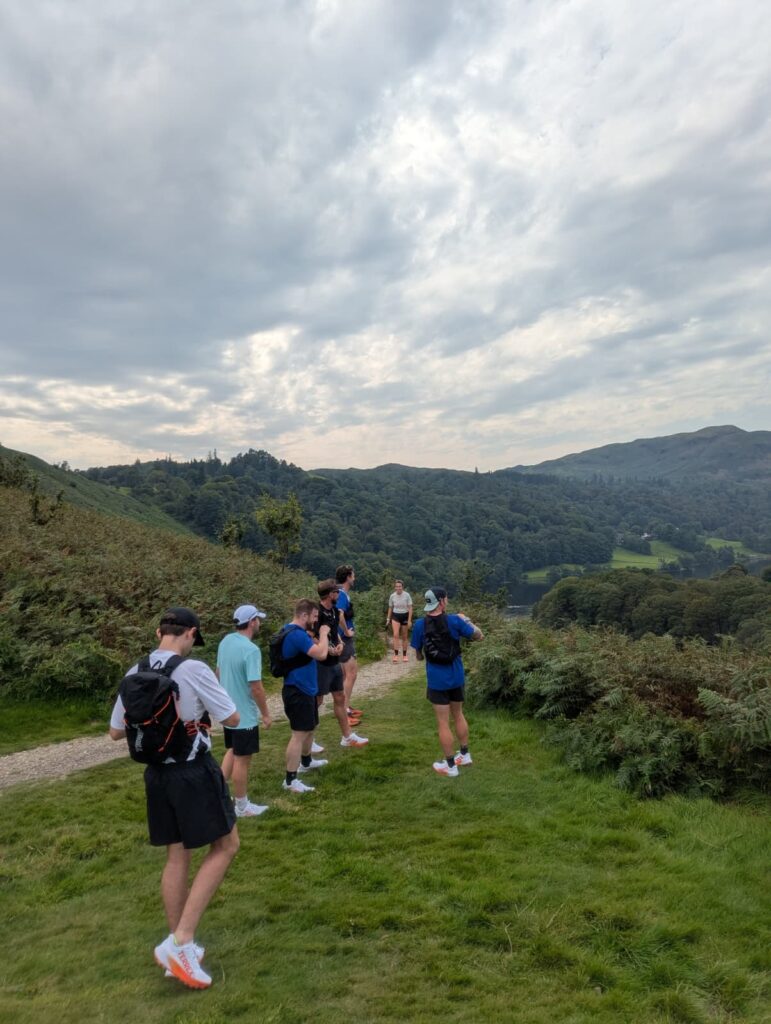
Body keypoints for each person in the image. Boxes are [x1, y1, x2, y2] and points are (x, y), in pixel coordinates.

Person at [109, 607, 241, 990]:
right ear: (191, 634)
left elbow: (115, 731)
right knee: (227, 845)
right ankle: (181, 941)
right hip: (193, 770)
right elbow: (232, 718)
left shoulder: (134, 672)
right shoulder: (193, 669)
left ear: (158, 632)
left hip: (156, 775)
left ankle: (179, 948)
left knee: (177, 854)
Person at [410, 588, 483, 778]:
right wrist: (466, 619)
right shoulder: (455, 620)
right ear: (441, 601)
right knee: (458, 714)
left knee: (443, 722)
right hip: (457, 677)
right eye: (446, 598)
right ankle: (464, 755)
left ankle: (451, 766)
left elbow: (418, 655)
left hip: (437, 681)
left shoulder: (419, 625)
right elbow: (479, 635)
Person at [216, 604, 272, 818]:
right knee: (243, 759)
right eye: (258, 619)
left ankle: (218, 796)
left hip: (228, 712)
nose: (259, 623)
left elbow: (218, 673)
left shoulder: (226, 641)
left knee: (232, 750)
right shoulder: (251, 650)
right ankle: (241, 806)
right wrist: (265, 714)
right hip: (245, 716)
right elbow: (256, 686)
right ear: (252, 622)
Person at [280, 599, 331, 794]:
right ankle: (290, 780)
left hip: (307, 689)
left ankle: (307, 762)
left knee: (310, 727)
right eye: (314, 617)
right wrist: (324, 634)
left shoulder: (296, 632)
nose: (316, 621)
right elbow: (321, 654)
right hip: (297, 690)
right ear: (304, 616)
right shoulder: (296, 634)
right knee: (299, 734)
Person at [315, 579, 369, 749]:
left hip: (334, 661)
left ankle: (347, 737)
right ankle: (309, 739)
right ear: (330, 594)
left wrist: (339, 642)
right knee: (317, 700)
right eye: (336, 592)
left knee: (339, 696)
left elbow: (333, 632)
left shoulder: (333, 611)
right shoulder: (317, 612)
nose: (339, 594)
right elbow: (310, 635)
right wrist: (325, 648)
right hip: (321, 662)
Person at [335, 564, 362, 725]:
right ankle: (344, 711)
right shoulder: (342, 594)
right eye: (353, 575)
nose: (354, 578)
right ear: (348, 577)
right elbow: (339, 615)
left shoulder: (340, 593)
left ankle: (346, 706)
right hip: (343, 638)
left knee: (346, 675)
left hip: (340, 638)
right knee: (351, 673)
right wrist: (346, 632)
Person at [387, 579, 413, 663]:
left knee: (404, 636)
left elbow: (410, 608)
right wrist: (388, 619)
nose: (398, 588)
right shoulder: (392, 596)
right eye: (396, 586)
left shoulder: (407, 595)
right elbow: (390, 607)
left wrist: (409, 620)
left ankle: (405, 655)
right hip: (395, 616)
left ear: (402, 587)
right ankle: (395, 655)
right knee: (395, 635)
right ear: (395, 587)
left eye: (400, 586)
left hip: (405, 616)